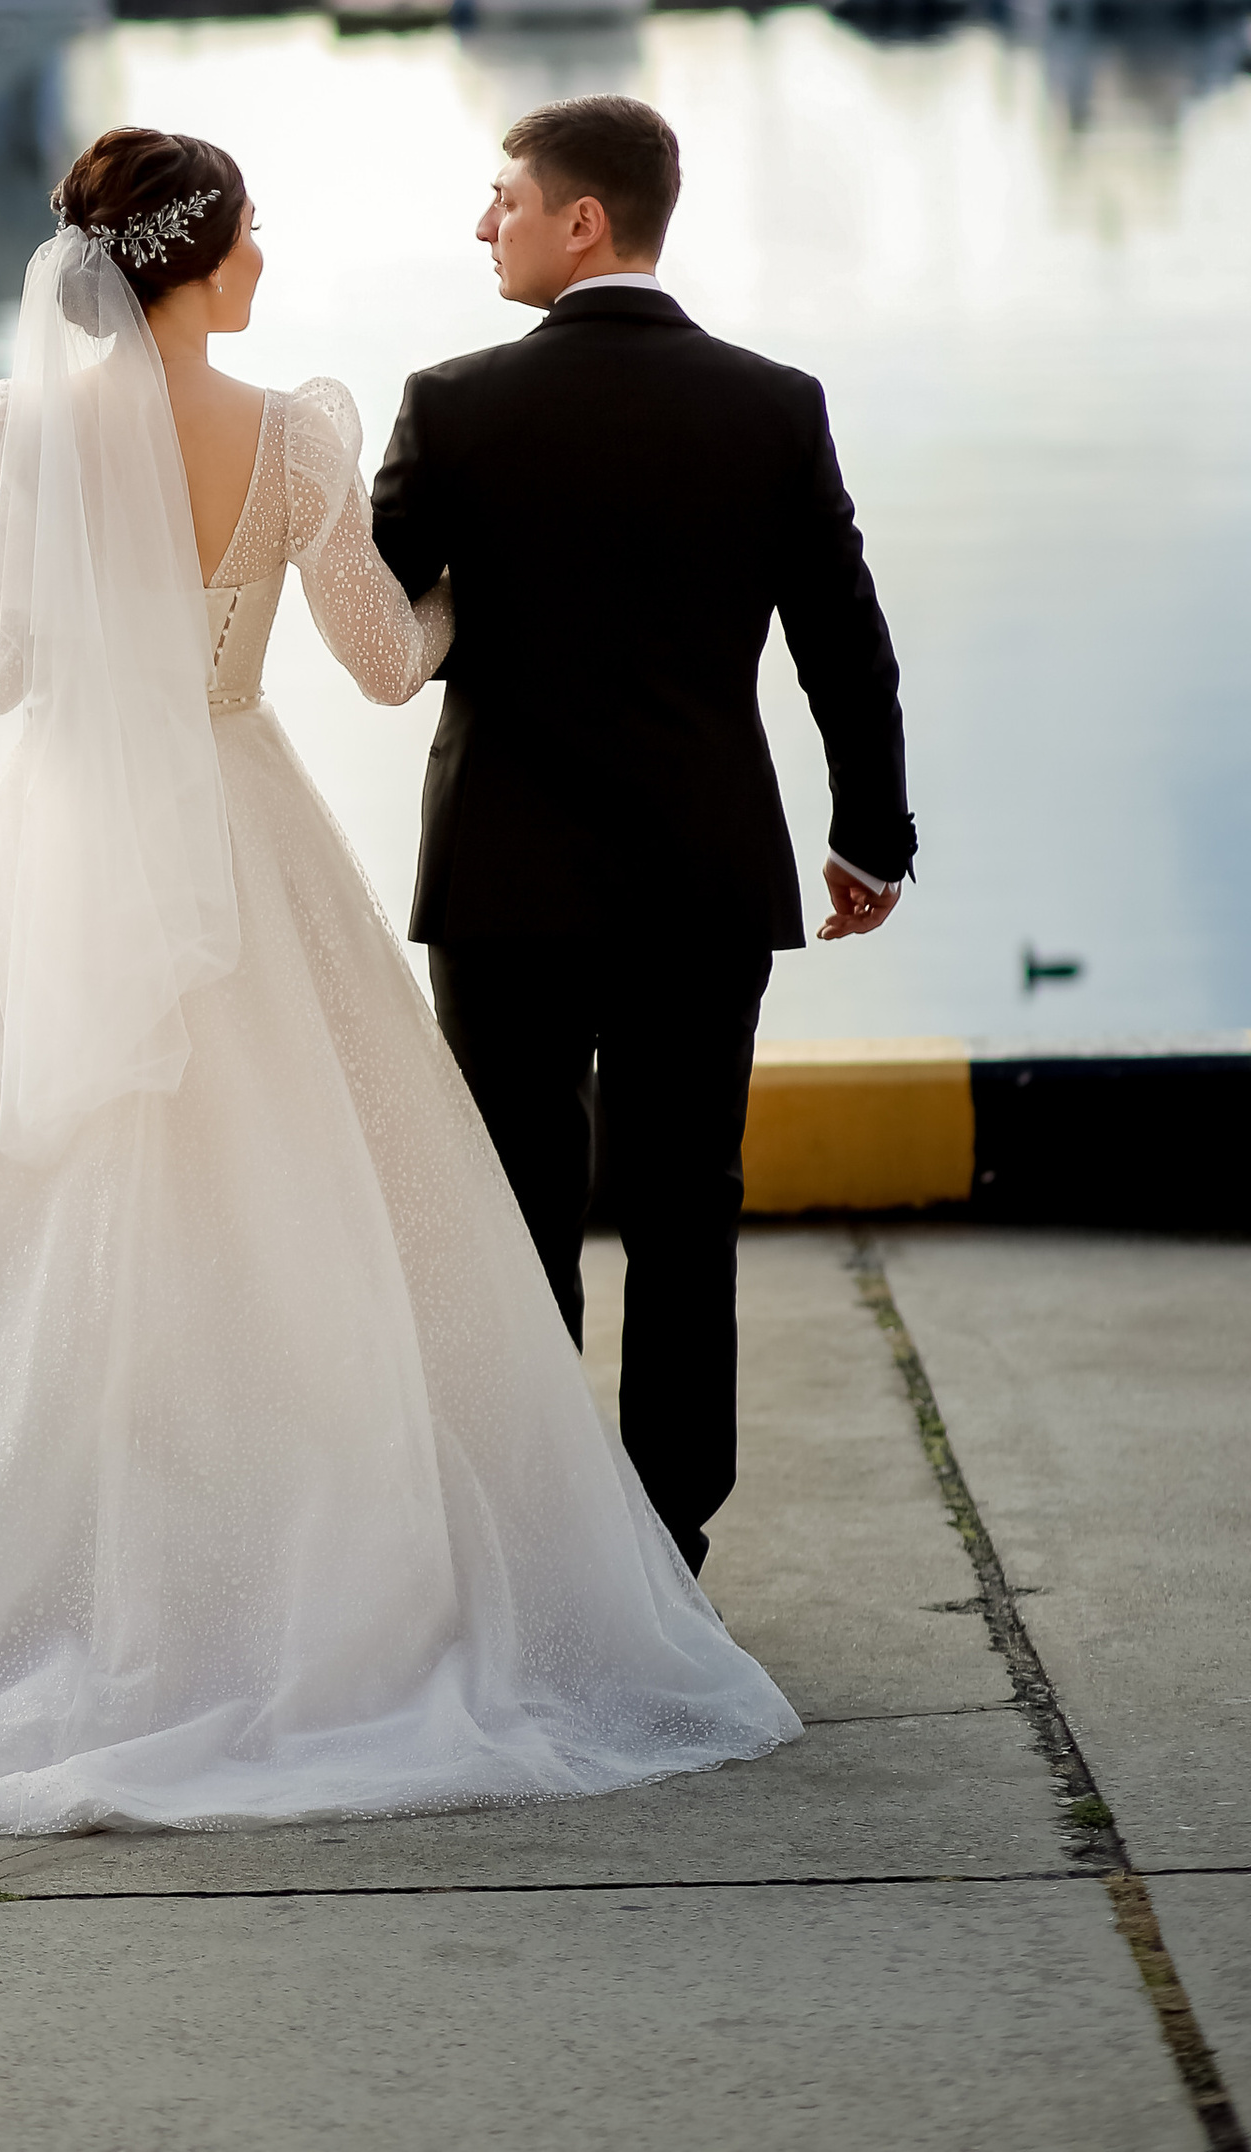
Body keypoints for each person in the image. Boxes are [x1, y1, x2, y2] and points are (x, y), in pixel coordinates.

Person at [0, 126, 799, 1835]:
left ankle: (39, 1591)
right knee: (313, 1215)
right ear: (203, 255)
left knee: (7, 1218)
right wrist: (482, 598)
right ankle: (324, 1587)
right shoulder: (303, 438)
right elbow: (393, 666)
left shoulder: (16, 430)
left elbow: (4, 668)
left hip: (68, 856)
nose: (267, 257)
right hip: (249, 827)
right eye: (254, 233)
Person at [371, 93, 914, 1575]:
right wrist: (871, 834)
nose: (484, 225)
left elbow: (373, 615)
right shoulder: (772, 403)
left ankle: (541, 1544)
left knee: (514, 1215)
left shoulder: (452, 404)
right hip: (701, 872)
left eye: (504, 200)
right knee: (687, 1212)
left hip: (503, 878)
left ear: (582, 220)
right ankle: (670, 1540)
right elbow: (843, 645)